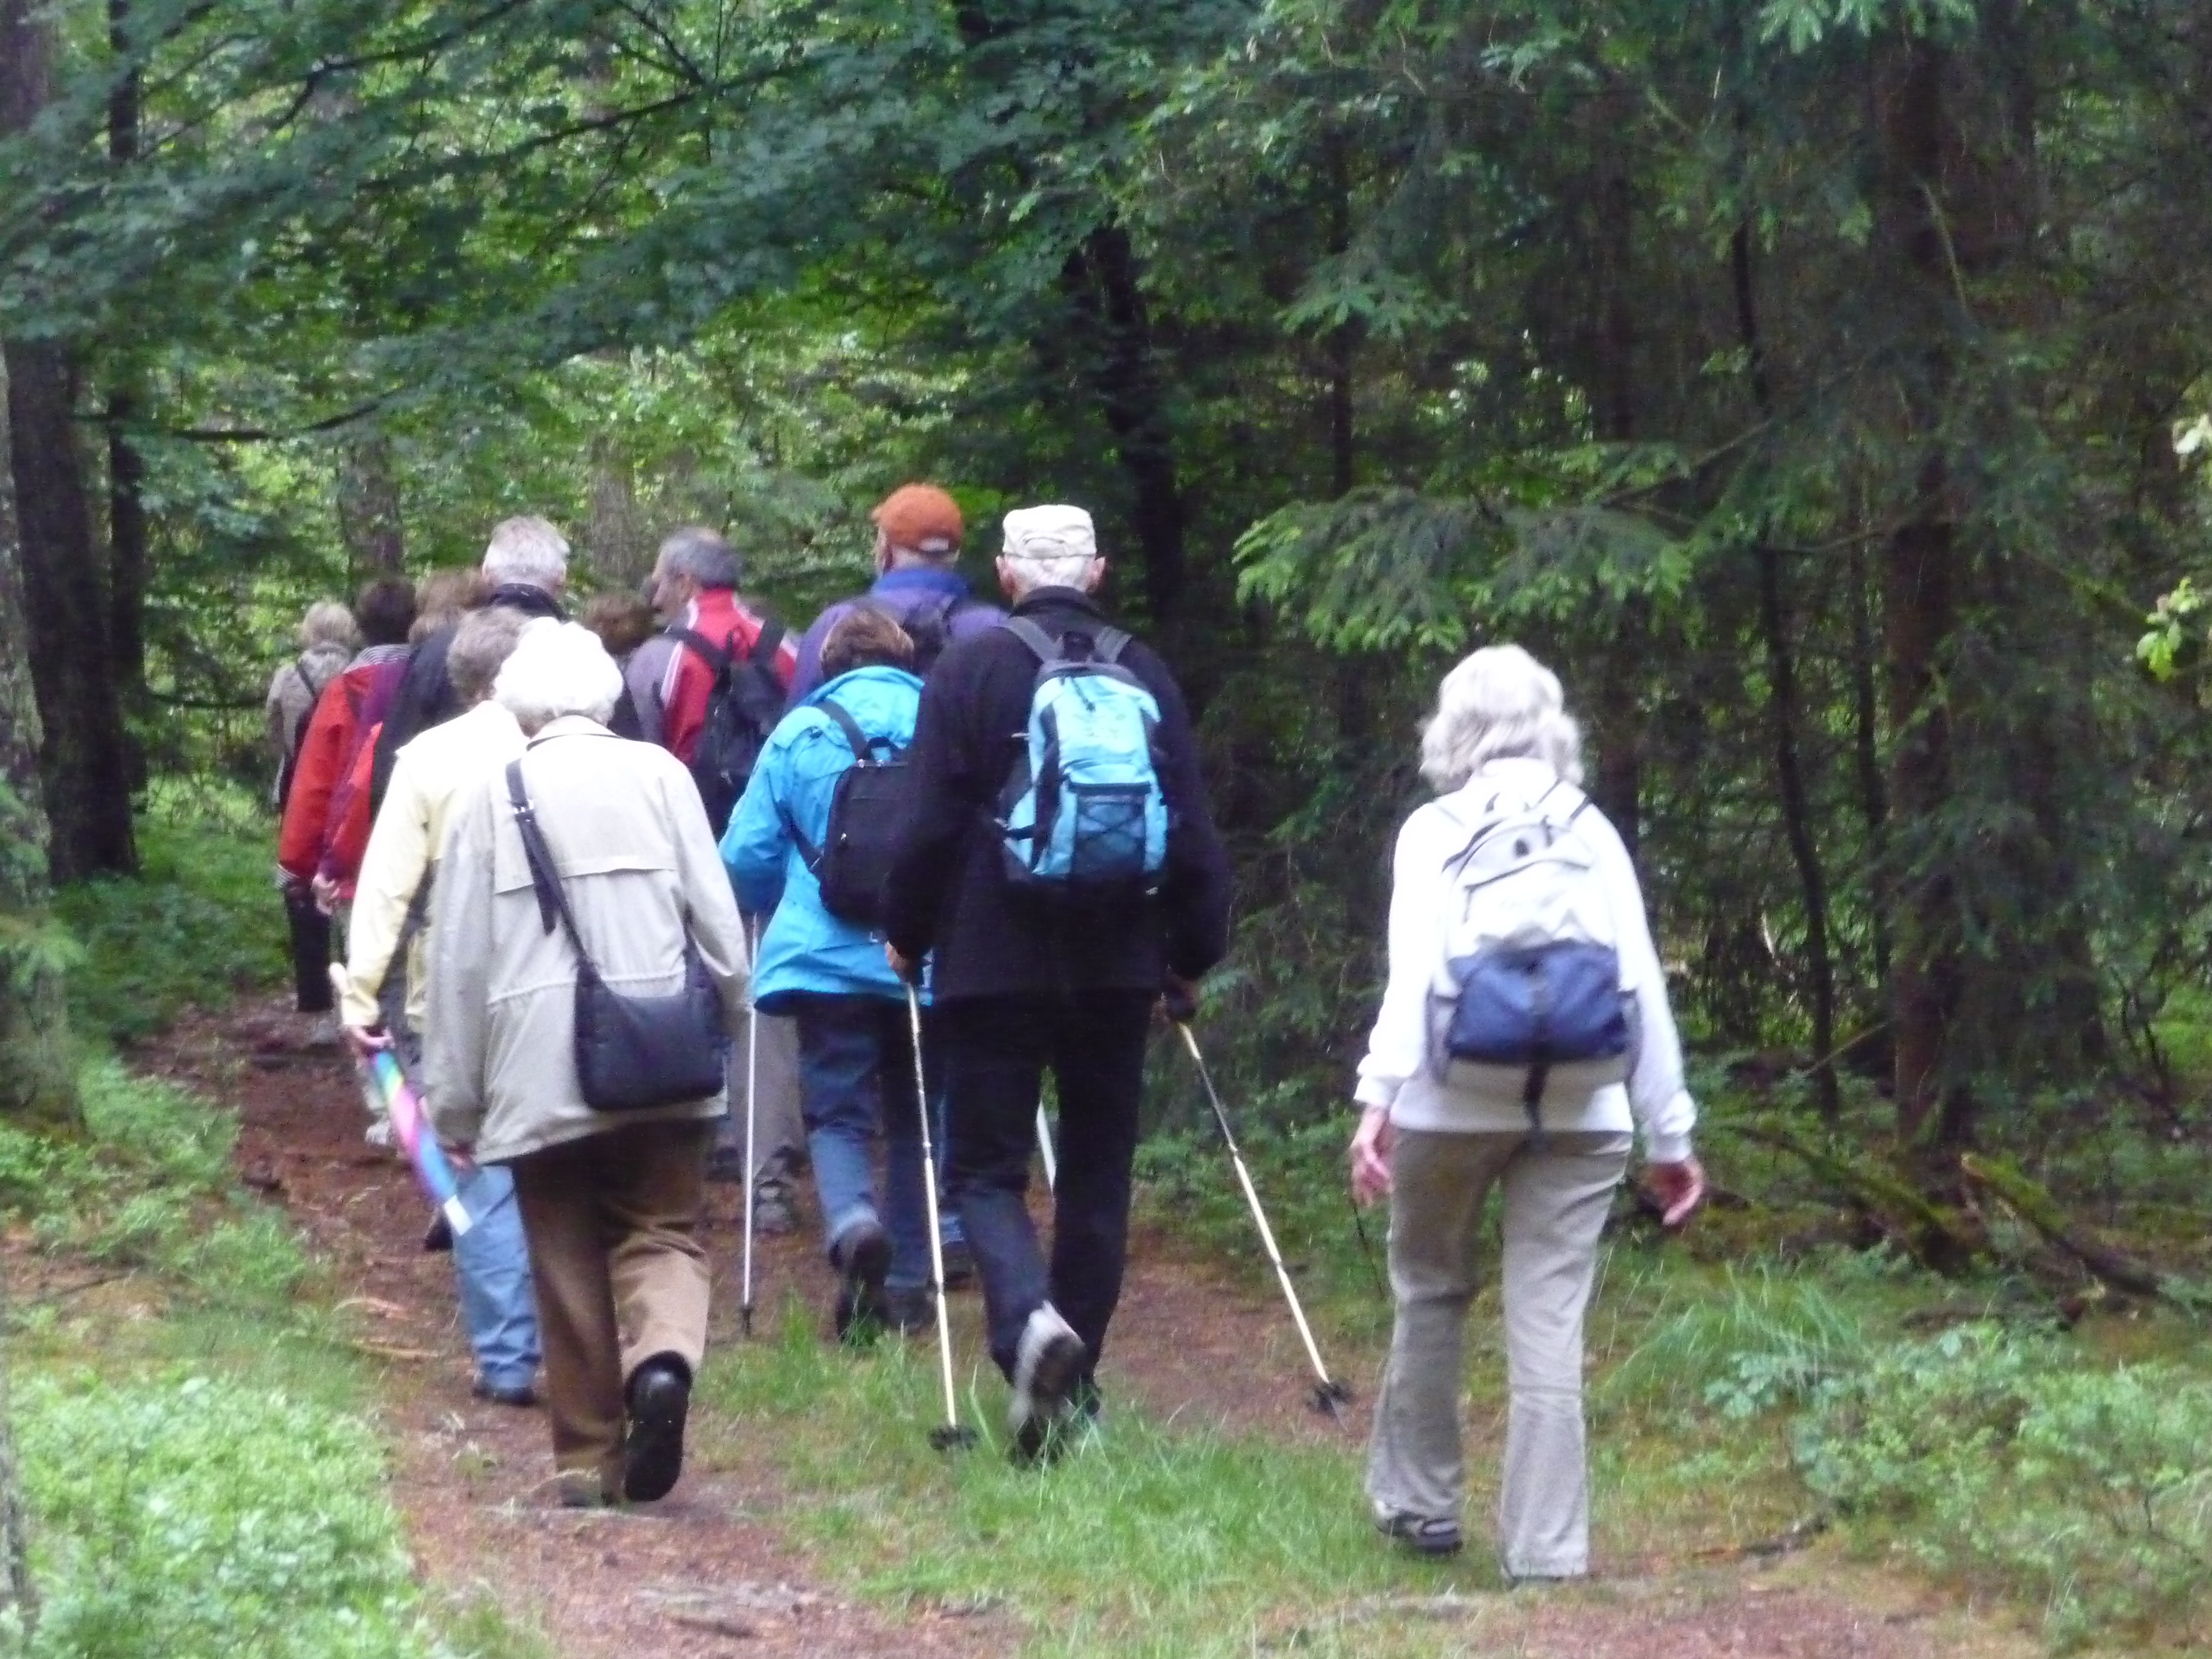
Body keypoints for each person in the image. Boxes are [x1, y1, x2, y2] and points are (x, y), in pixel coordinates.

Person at [884, 504, 1233, 1460]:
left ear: (1003, 575)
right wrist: (1189, 955)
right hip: (1120, 962)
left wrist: (907, 934)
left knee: (985, 1170)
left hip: (992, 958)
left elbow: (927, 827)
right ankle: (1073, 1394)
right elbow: (1195, 831)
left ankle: (1031, 1333)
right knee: (1095, 1175)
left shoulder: (969, 669)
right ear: (1101, 570)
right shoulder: (1145, 671)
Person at [1345, 645, 1704, 1573]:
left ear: (1452, 731)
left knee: (1430, 1290)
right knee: (1549, 1322)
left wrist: (1376, 1100)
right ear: (1552, 728)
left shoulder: (1434, 830)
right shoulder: (1593, 830)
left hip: (1448, 1102)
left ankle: (1421, 1505)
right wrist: (1670, 1133)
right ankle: (1547, 1548)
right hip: (1587, 1109)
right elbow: (1642, 989)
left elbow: (1413, 978)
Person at [422, 621, 749, 1509]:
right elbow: (718, 927)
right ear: (604, 695)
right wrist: (729, 1016)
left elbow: (457, 963)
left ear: (520, 705)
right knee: (665, 1228)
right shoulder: (662, 777)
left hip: (537, 1071)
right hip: (662, 1053)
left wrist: (452, 1107)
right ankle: (665, 1362)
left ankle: (586, 1460)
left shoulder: (496, 795)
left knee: (562, 1252)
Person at [339, 607, 541, 1407]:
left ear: (461, 678)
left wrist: (360, 995)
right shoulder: (570, 748)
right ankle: (582, 1338)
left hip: (448, 993)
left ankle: (506, 1357)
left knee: (476, 1169)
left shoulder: (428, 757)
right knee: (555, 1162)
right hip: (557, 991)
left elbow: (386, 888)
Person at [721, 608, 933, 1340]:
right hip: (920, 955)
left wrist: (768, 902)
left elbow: (744, 855)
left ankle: (852, 1222)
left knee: (836, 1111)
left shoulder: (800, 731)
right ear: (903, 657)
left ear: (829, 666)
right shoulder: (939, 720)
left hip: (823, 957)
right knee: (914, 1117)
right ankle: (907, 1283)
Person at [625, 527, 806, 1230]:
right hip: (766, 850)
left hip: (679, 848)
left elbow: (637, 757)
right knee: (763, 1009)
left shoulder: (661, 657)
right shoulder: (784, 647)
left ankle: (677, 1168)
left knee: (673, 998)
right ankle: (769, 1183)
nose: (654, 589)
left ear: (682, 580)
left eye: (659, 577)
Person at [370, 517, 570, 813]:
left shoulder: (436, 650)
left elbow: (393, 767)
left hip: (454, 837)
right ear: (561, 579)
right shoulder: (590, 654)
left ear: (487, 576)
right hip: (562, 842)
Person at [277, 577, 417, 931]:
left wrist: (297, 863)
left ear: (362, 628)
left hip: (353, 857)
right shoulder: (431, 683)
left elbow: (315, 784)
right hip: (419, 849)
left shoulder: (343, 692)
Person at [787, 484, 1003, 700]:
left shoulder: (836, 624)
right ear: (955, 554)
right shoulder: (996, 626)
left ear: (885, 550)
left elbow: (796, 725)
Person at [266, 600, 358, 1030]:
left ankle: (316, 1004)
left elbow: (274, 737)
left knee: (301, 893)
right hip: (349, 793)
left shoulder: (287, 678)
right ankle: (356, 989)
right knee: (349, 887)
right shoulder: (360, 676)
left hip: (298, 792)